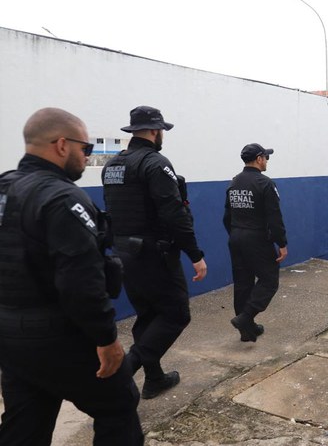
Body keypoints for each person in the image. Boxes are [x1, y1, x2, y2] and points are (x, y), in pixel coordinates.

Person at [0, 108, 143, 445]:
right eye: (86, 149)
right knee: (119, 408)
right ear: (62, 145)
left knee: (25, 422)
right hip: (60, 336)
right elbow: (81, 282)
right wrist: (106, 340)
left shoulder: (4, 187)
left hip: (10, 337)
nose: (87, 156)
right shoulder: (62, 198)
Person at [102, 105, 207, 400]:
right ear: (154, 131)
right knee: (175, 314)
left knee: (148, 316)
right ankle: (125, 371)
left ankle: (155, 378)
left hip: (123, 252)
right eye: (162, 131)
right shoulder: (155, 162)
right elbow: (174, 213)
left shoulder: (113, 165)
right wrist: (195, 254)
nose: (163, 136)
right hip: (153, 254)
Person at [223, 143, 288, 342]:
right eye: (266, 157)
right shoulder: (265, 183)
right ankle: (245, 318)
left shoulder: (234, 182)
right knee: (269, 280)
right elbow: (274, 217)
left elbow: (227, 216)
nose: (267, 161)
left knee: (243, 282)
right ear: (259, 158)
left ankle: (247, 330)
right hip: (257, 239)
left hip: (236, 237)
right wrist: (282, 243)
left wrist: (235, 234)